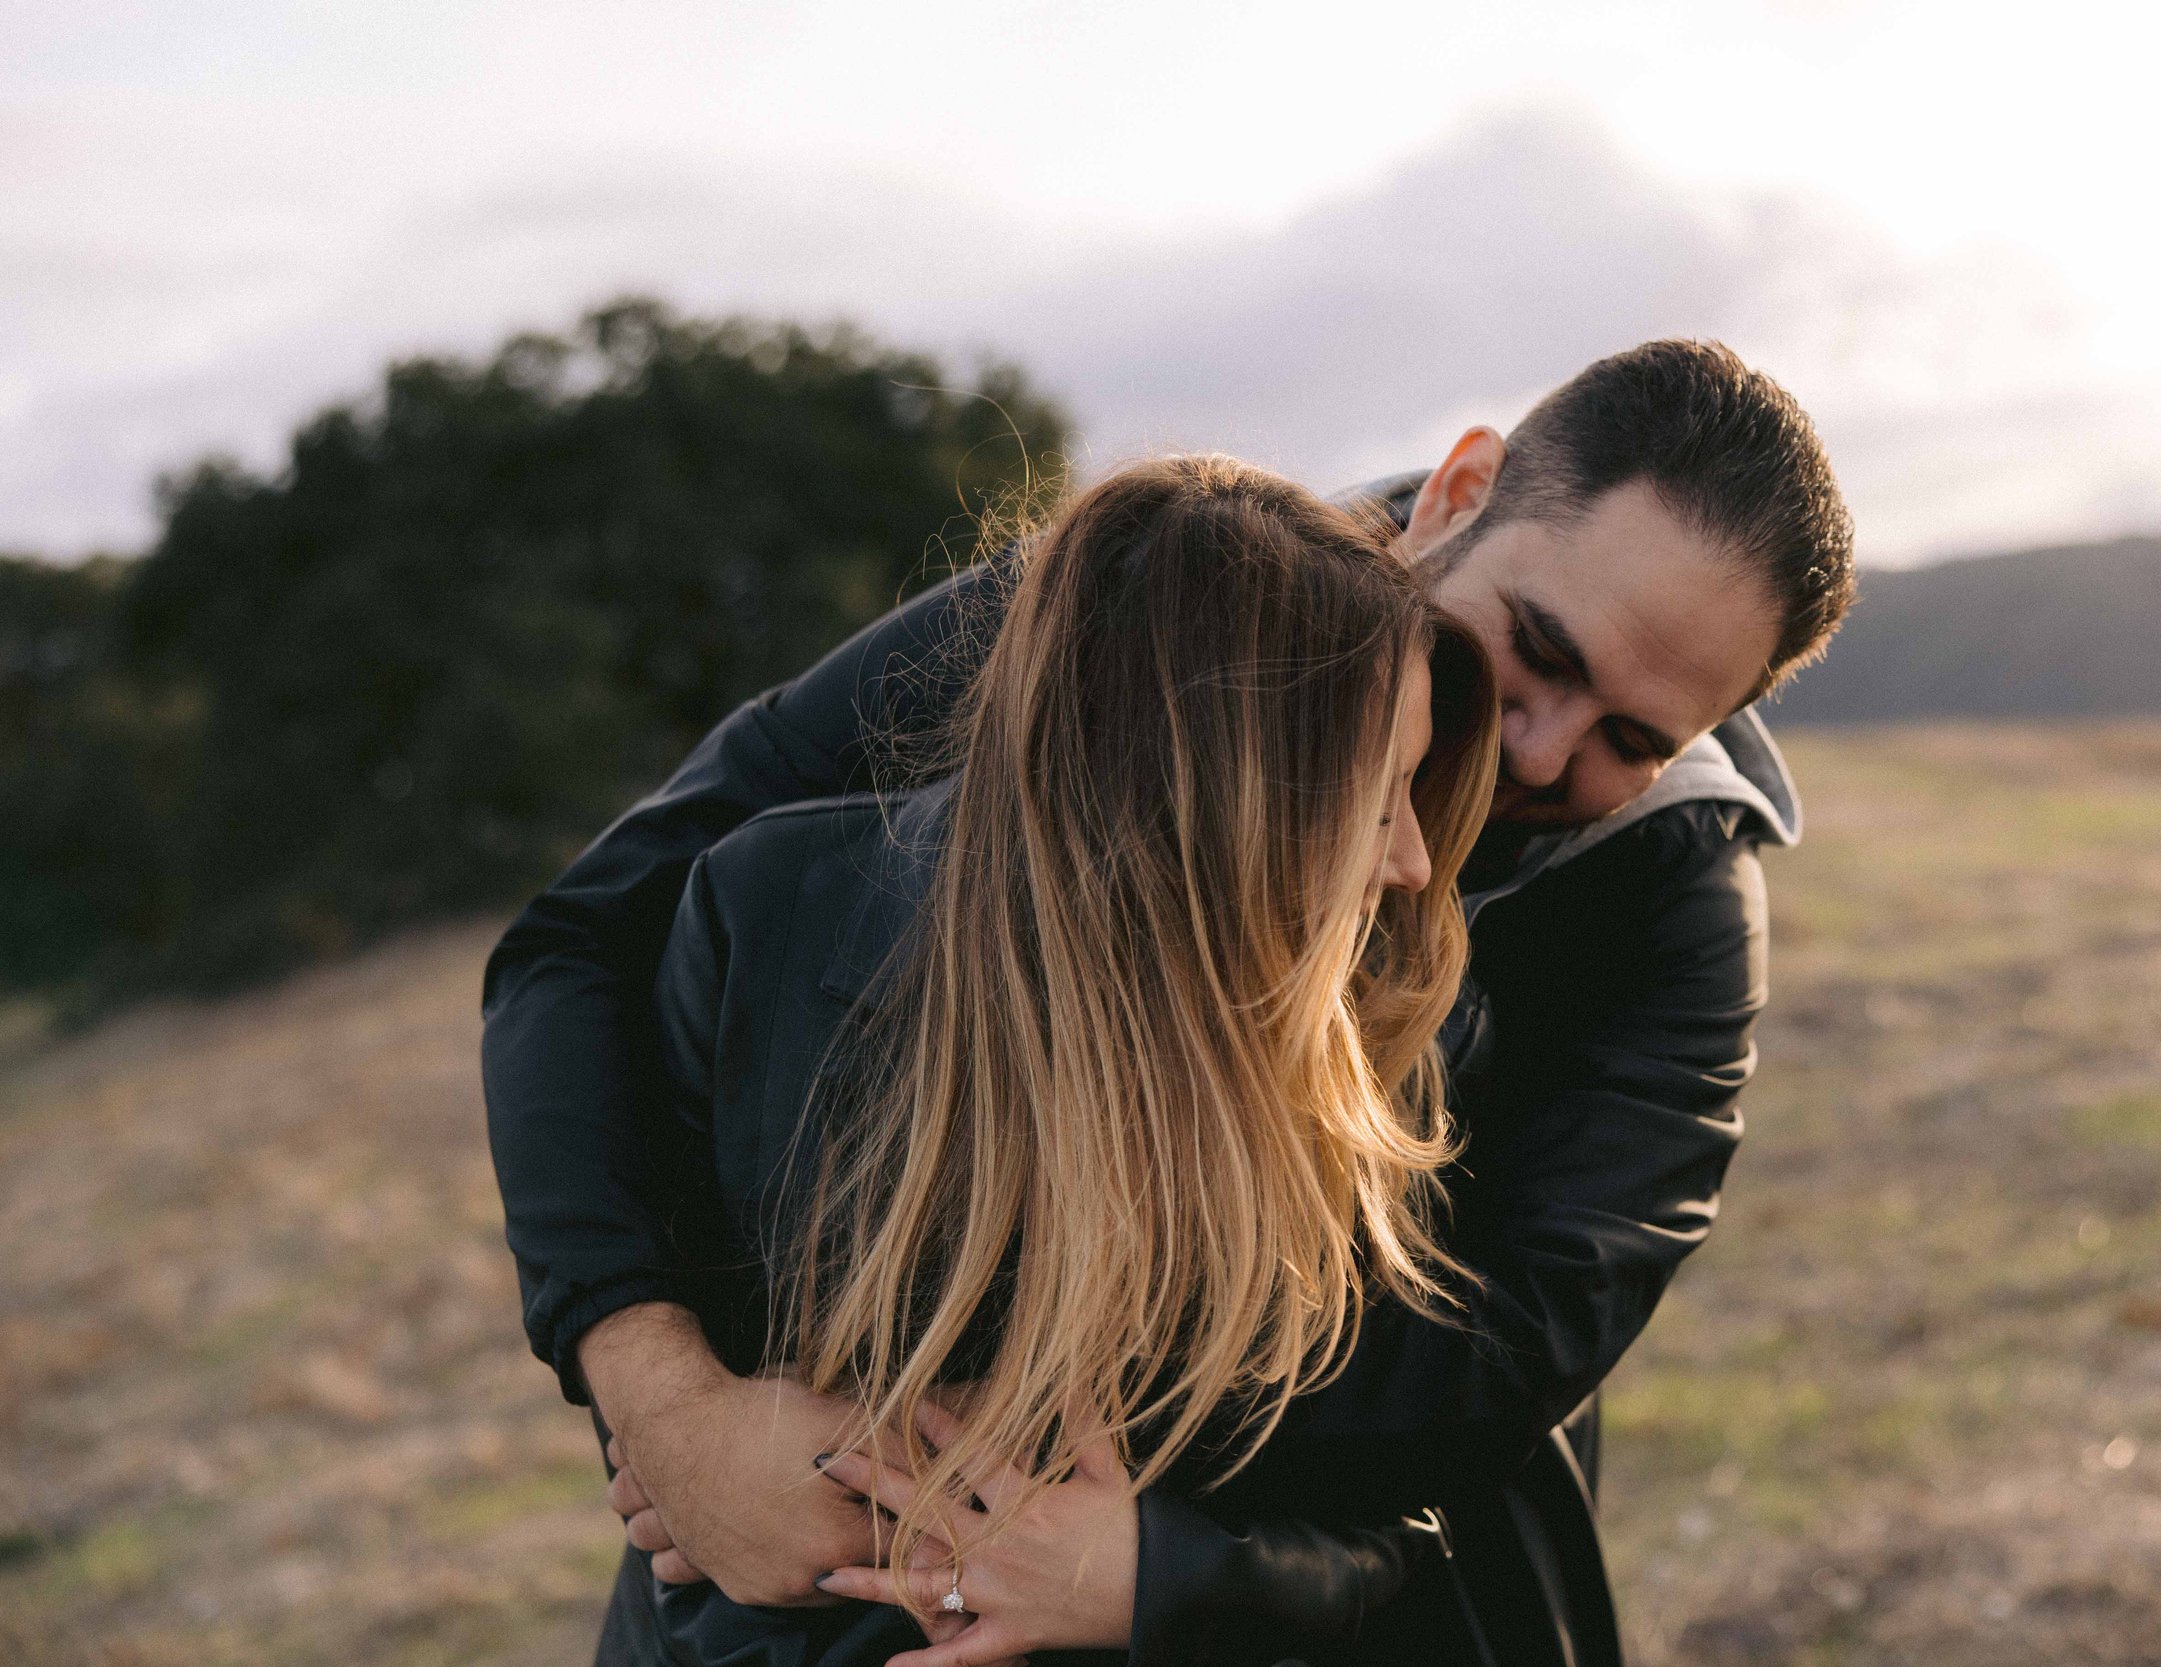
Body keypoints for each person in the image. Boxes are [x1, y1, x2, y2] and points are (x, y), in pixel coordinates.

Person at [483, 339, 1857, 1665]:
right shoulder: (1134, 607)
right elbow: (587, 939)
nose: (1535, 751)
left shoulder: (1672, 904)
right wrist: (666, 1401)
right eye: (1536, 649)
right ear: (1457, 490)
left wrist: (1163, 1562)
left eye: (1635, 738)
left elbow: (1510, 1345)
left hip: (1349, 1564)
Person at [607, 456, 1504, 1665]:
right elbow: (671, 1426)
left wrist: (1156, 1580)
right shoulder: (768, 912)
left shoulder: (1389, 1050)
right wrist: (735, 1474)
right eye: (1376, 792)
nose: (1408, 859)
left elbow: (1392, 1523)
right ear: (1212, 790)